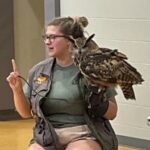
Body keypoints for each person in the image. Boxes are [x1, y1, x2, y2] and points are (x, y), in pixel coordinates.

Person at [6, 16, 118, 150]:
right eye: (46, 37)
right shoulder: (38, 70)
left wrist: (99, 102)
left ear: (69, 40)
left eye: (53, 37)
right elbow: (25, 113)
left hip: (85, 134)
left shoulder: (92, 70)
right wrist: (17, 89)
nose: (47, 42)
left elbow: (113, 113)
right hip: (48, 136)